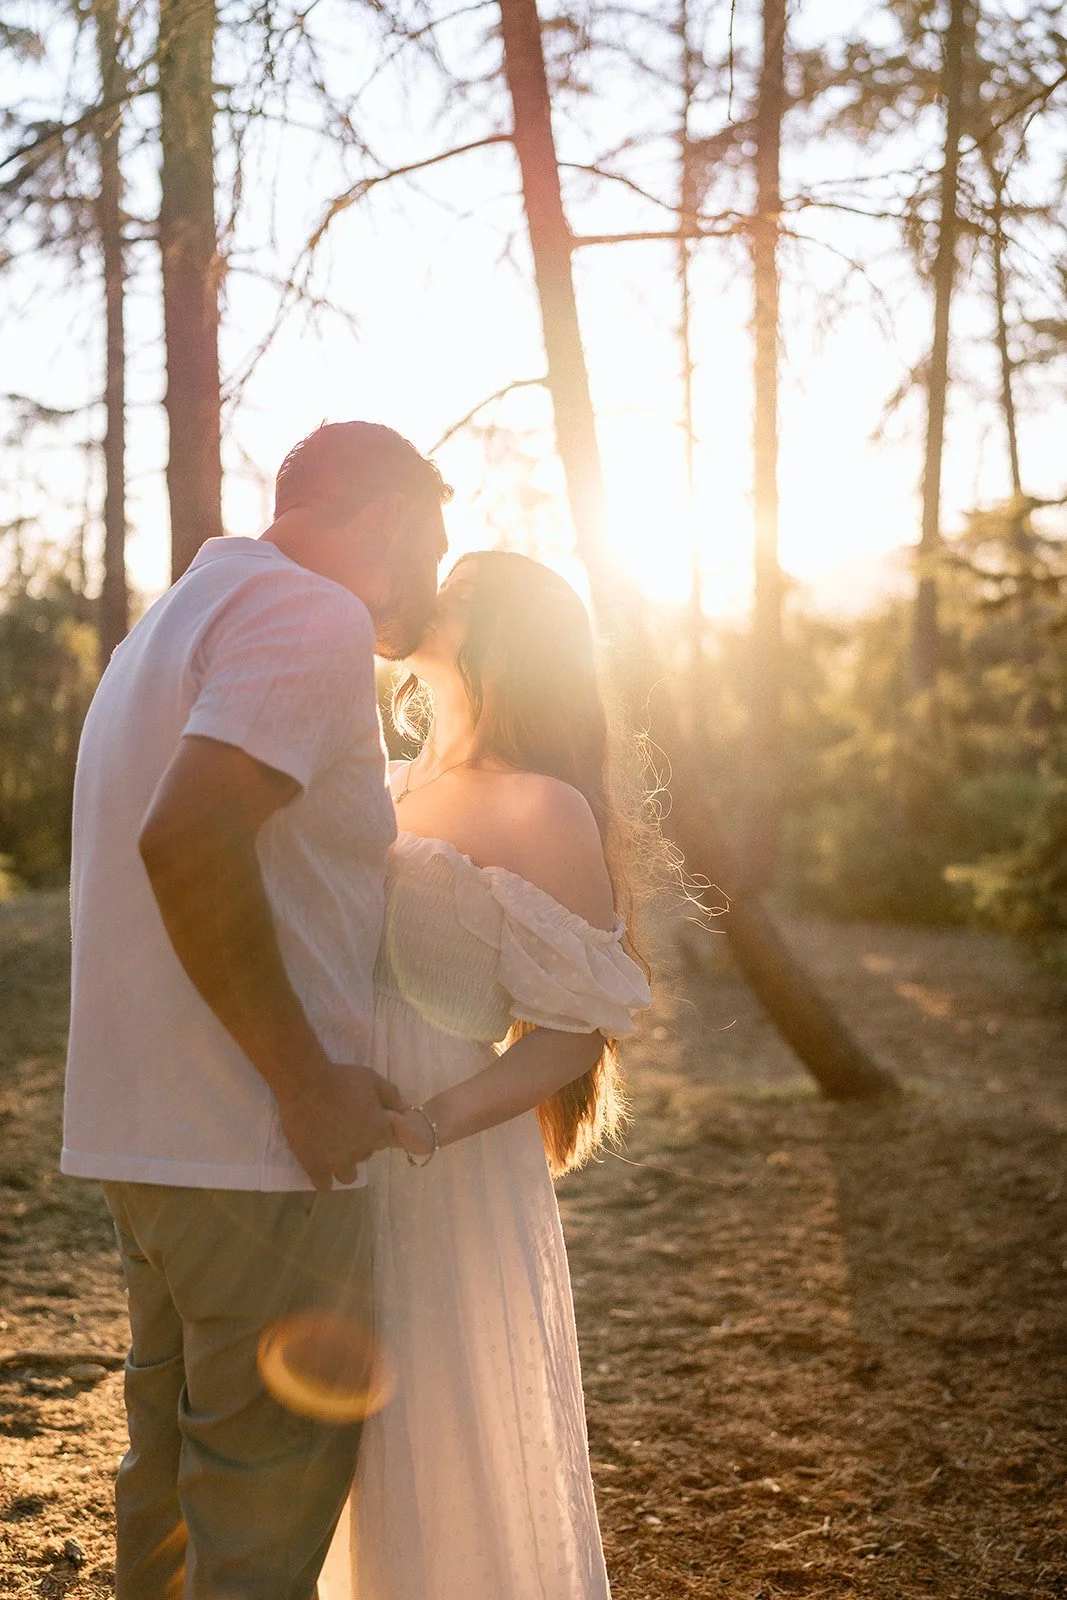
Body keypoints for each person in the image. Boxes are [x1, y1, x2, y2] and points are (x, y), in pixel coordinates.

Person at [61, 422, 451, 1600]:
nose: (432, 583)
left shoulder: (172, 618)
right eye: (433, 543)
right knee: (258, 1523)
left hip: (145, 1141)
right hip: (252, 1150)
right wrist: (306, 1081)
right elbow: (187, 838)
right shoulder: (310, 613)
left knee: (171, 1488)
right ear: (384, 517)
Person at [319, 550, 652, 1600]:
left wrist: (429, 1120)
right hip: (327, 1117)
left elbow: (571, 1033)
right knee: (344, 1419)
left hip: (443, 1148)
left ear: (502, 645)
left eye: (457, 595)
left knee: (443, 1410)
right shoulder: (384, 776)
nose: (428, 597)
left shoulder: (541, 807)